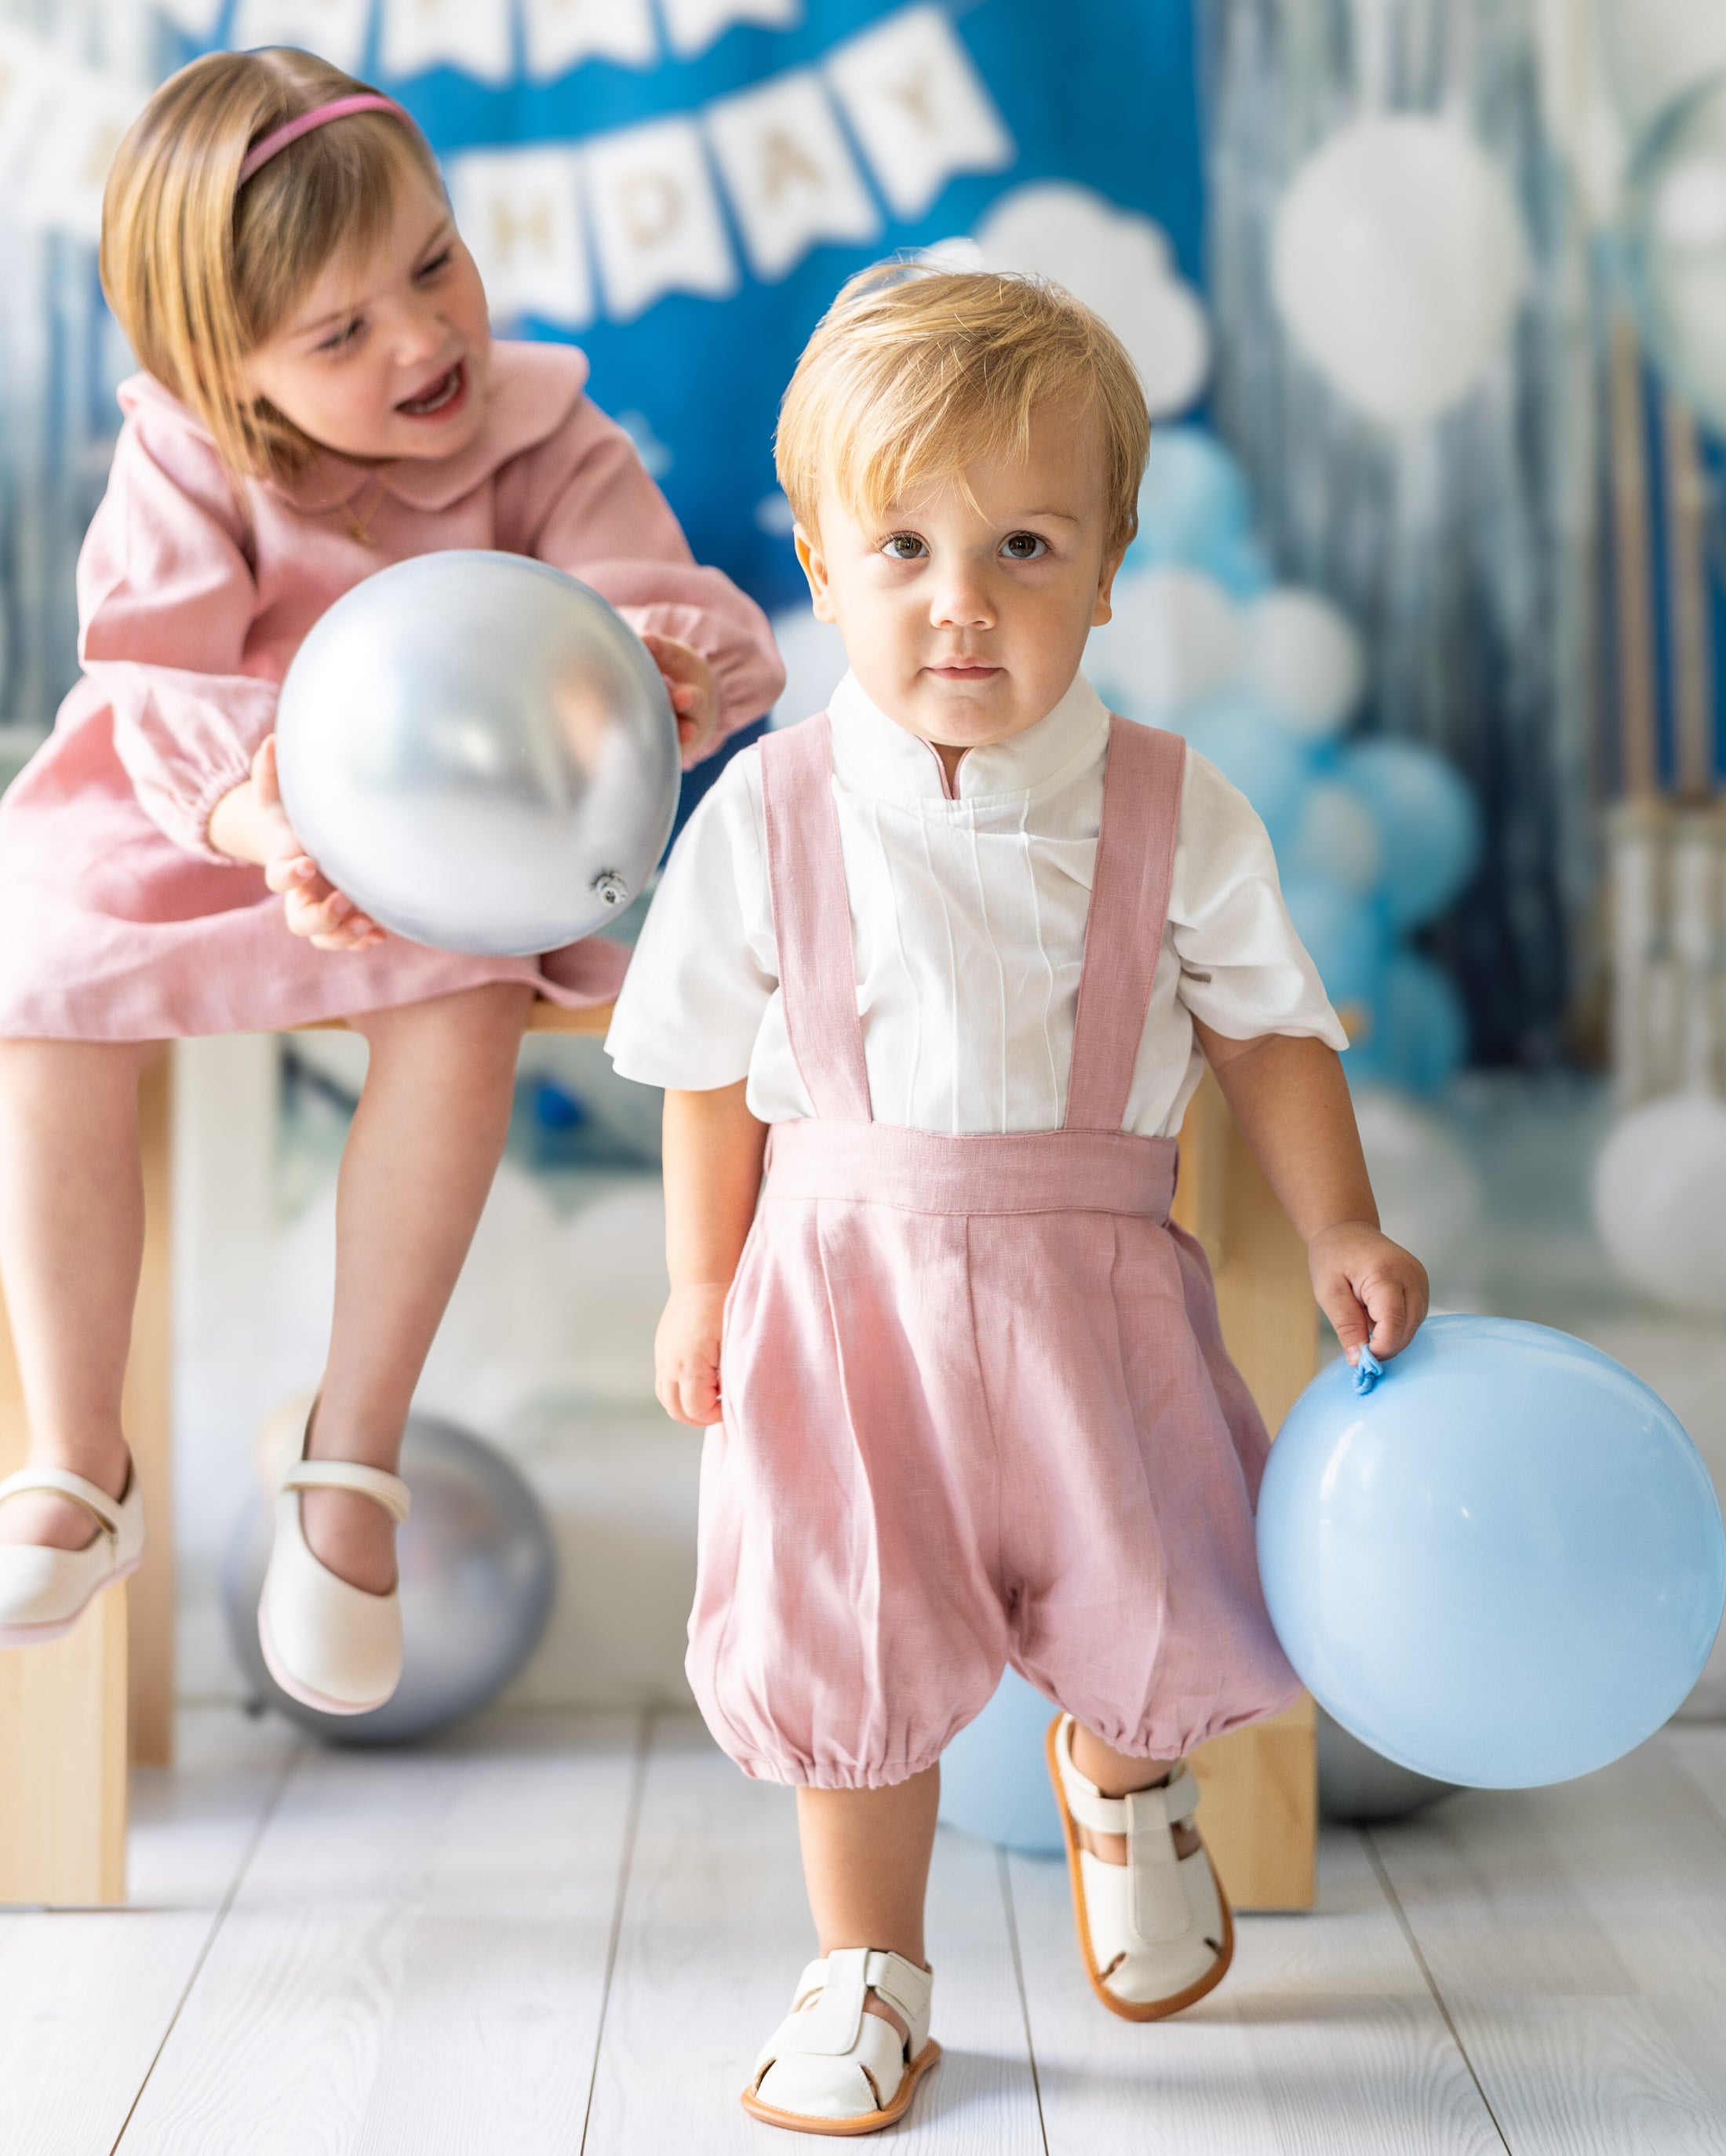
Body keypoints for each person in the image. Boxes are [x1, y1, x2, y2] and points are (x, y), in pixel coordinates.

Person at [606, 264, 1429, 2135]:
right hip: (834, 1291)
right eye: (898, 544)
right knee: (850, 1626)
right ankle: (867, 1967)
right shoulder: (770, 810)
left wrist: (1335, 1228)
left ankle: (1127, 1782)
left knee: (1160, 1581)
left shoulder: (1168, 802)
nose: (958, 598)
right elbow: (705, 1068)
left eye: (1023, 544)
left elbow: (1270, 1033)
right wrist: (691, 1280)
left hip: (1094, 1279)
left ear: (1110, 569)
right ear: (818, 565)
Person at [0, 50, 782, 1719]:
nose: (424, 343)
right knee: (39, 1001)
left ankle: (350, 1466)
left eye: (432, 266)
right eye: (340, 336)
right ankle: (77, 1455)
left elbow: (653, 606)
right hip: (208, 819)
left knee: (462, 1003)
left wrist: (661, 671)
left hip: (440, 845)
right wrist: (262, 825)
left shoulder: (535, 428)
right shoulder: (189, 460)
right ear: (226, 374)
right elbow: (160, 683)